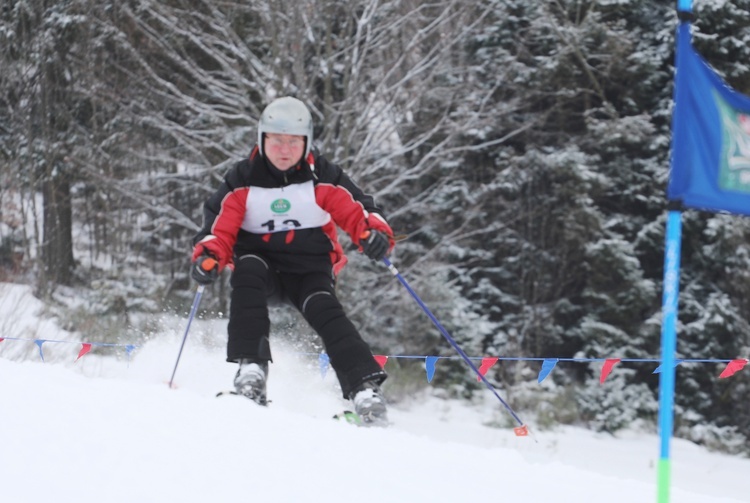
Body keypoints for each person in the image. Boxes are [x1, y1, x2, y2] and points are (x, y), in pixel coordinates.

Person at [190, 96, 395, 425]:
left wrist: (373, 234)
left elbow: (359, 208)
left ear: (306, 144)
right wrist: (209, 256)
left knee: (326, 309)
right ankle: (252, 370)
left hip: (309, 269)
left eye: (293, 142)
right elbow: (217, 228)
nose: (284, 150)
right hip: (263, 266)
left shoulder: (321, 177)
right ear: (262, 140)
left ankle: (364, 390)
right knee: (247, 269)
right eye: (276, 140)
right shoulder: (242, 180)